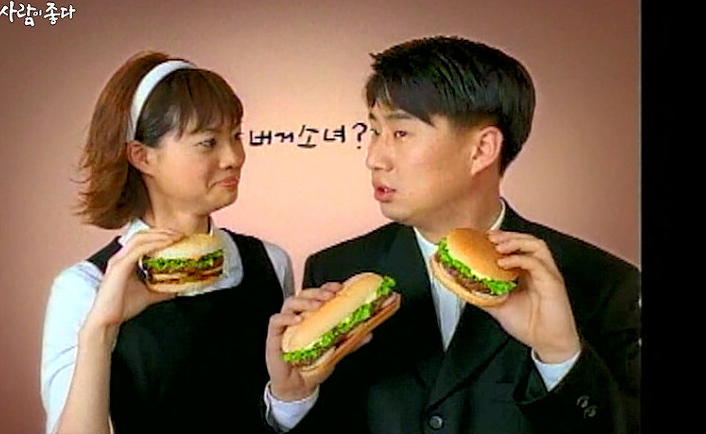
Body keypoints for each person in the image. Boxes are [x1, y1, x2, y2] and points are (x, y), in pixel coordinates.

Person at [263, 35, 640, 434]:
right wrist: (292, 400)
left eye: (401, 133)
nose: (374, 158)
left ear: (481, 149)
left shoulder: (603, 283)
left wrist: (560, 355)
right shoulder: (337, 271)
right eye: (373, 131)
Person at [39, 51, 294, 434]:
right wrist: (101, 329)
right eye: (208, 142)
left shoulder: (270, 263)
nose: (234, 157)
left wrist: (293, 399)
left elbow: (273, 419)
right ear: (142, 157)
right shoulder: (84, 288)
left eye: (236, 136)